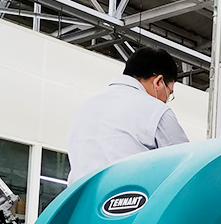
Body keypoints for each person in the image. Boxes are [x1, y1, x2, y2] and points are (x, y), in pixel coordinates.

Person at [66, 47, 188, 184]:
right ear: (158, 82)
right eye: (169, 93)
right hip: (131, 195)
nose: (166, 100)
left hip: (80, 197)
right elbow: (186, 166)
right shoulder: (156, 111)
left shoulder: (84, 108)